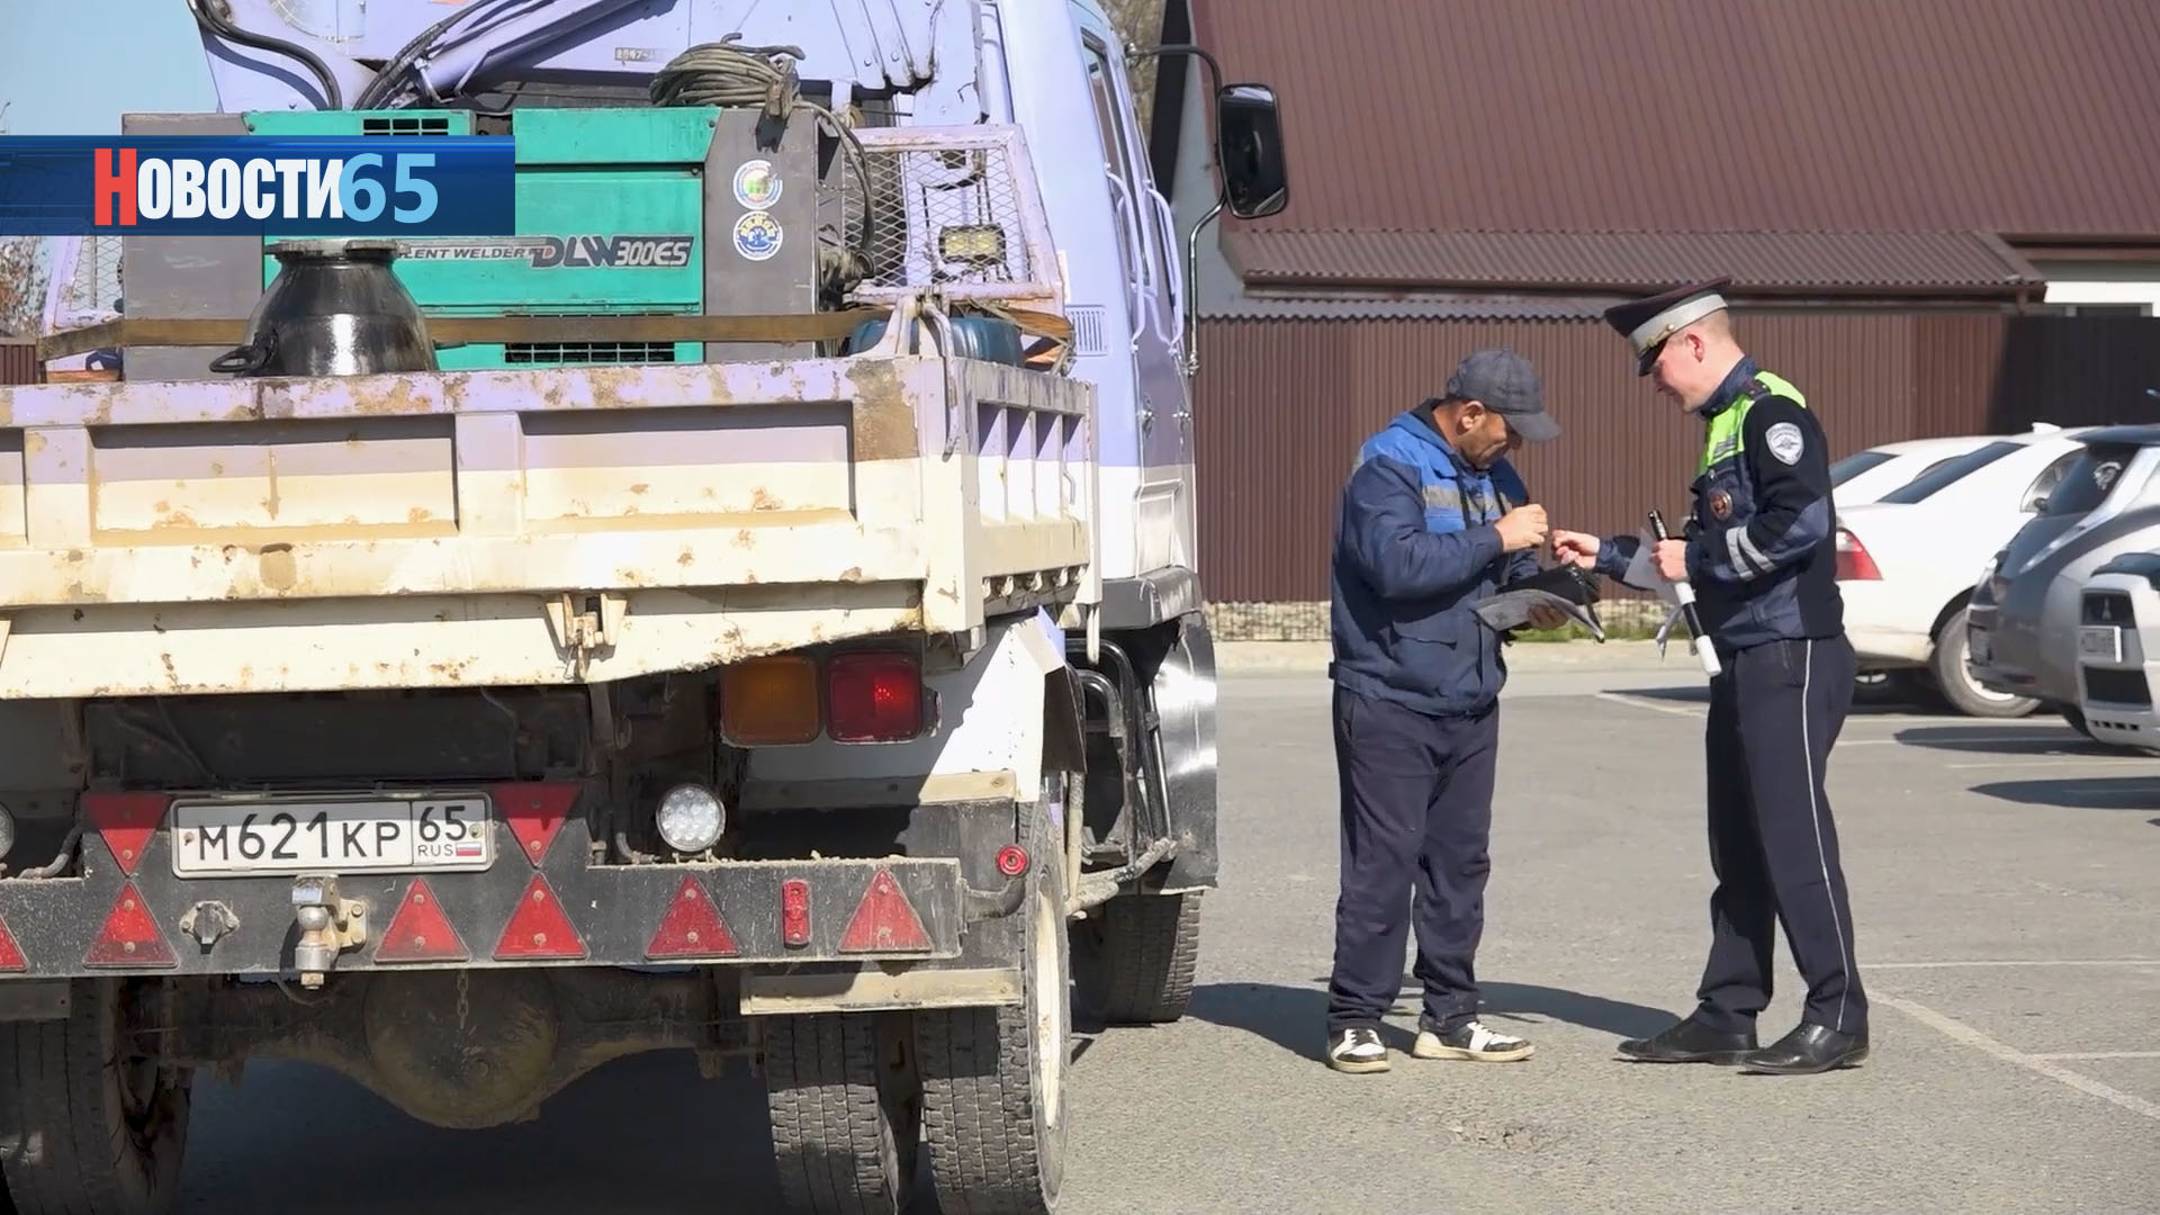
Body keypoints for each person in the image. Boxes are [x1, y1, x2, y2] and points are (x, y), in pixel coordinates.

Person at [1551, 280, 1869, 1076]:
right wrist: (1612, 556)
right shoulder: (1726, 422)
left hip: (1790, 655)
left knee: (1793, 838)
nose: (1655, 381)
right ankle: (1730, 1009)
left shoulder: (1769, 412)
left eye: (1655, 361)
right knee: (1739, 839)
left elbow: (1799, 525)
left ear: (1693, 341)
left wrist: (1691, 556)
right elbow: (1712, 555)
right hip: (1746, 656)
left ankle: (1838, 1012)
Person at [1324, 348, 1566, 1074]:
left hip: (1470, 695)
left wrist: (1546, 589)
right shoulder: (1388, 467)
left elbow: (1510, 569)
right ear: (1468, 414)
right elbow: (1396, 567)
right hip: (1389, 696)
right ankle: (1354, 1018)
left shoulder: (1495, 473)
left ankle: (1451, 1016)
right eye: (1508, 430)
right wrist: (1498, 536)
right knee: (1383, 861)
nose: (1515, 445)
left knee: (1460, 864)